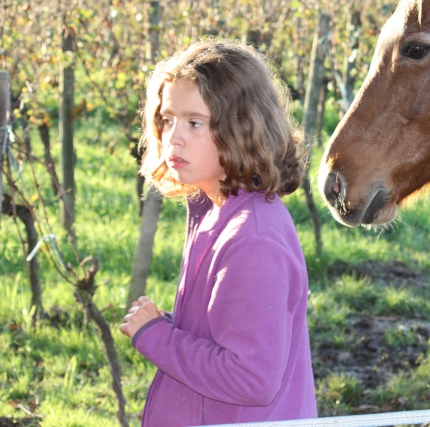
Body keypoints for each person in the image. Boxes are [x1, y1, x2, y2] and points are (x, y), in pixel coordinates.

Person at [119, 39, 317, 426]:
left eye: (195, 122)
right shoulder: (216, 209)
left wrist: (156, 336)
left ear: (241, 129)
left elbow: (251, 378)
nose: (174, 136)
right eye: (166, 118)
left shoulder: (252, 241)